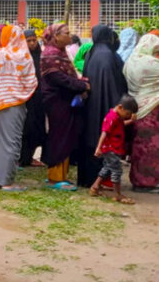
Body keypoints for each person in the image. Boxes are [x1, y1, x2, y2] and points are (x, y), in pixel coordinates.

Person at [0, 26, 38, 191]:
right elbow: (31, 82)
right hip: (14, 104)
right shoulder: (24, 56)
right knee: (12, 142)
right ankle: (6, 182)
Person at [40, 23, 90, 190]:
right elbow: (58, 78)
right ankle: (55, 177)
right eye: (67, 33)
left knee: (65, 135)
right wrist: (81, 85)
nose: (70, 36)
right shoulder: (50, 54)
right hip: (57, 100)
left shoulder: (60, 52)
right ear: (56, 36)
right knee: (59, 136)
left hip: (64, 100)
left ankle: (61, 175)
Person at [78, 25, 128, 188]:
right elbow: (114, 82)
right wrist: (117, 105)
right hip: (106, 102)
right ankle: (103, 179)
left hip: (92, 103)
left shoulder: (91, 52)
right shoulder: (108, 55)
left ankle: (88, 178)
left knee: (92, 136)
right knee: (105, 138)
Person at [124, 32, 159, 192]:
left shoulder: (130, 61)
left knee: (138, 147)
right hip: (151, 109)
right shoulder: (152, 63)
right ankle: (147, 183)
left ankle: (137, 180)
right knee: (151, 148)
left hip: (136, 108)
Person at [89, 94, 138, 204]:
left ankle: (95, 187)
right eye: (127, 114)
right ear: (120, 107)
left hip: (114, 148)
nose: (127, 116)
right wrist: (98, 147)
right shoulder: (111, 117)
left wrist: (130, 120)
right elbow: (104, 132)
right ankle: (118, 194)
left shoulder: (117, 117)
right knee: (117, 171)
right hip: (111, 149)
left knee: (107, 168)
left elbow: (121, 125)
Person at [19, 29, 47, 167]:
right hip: (26, 97)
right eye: (28, 41)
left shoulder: (40, 55)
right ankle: (23, 158)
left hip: (39, 97)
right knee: (27, 127)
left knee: (38, 127)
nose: (32, 44)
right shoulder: (21, 57)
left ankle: (30, 157)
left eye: (33, 40)